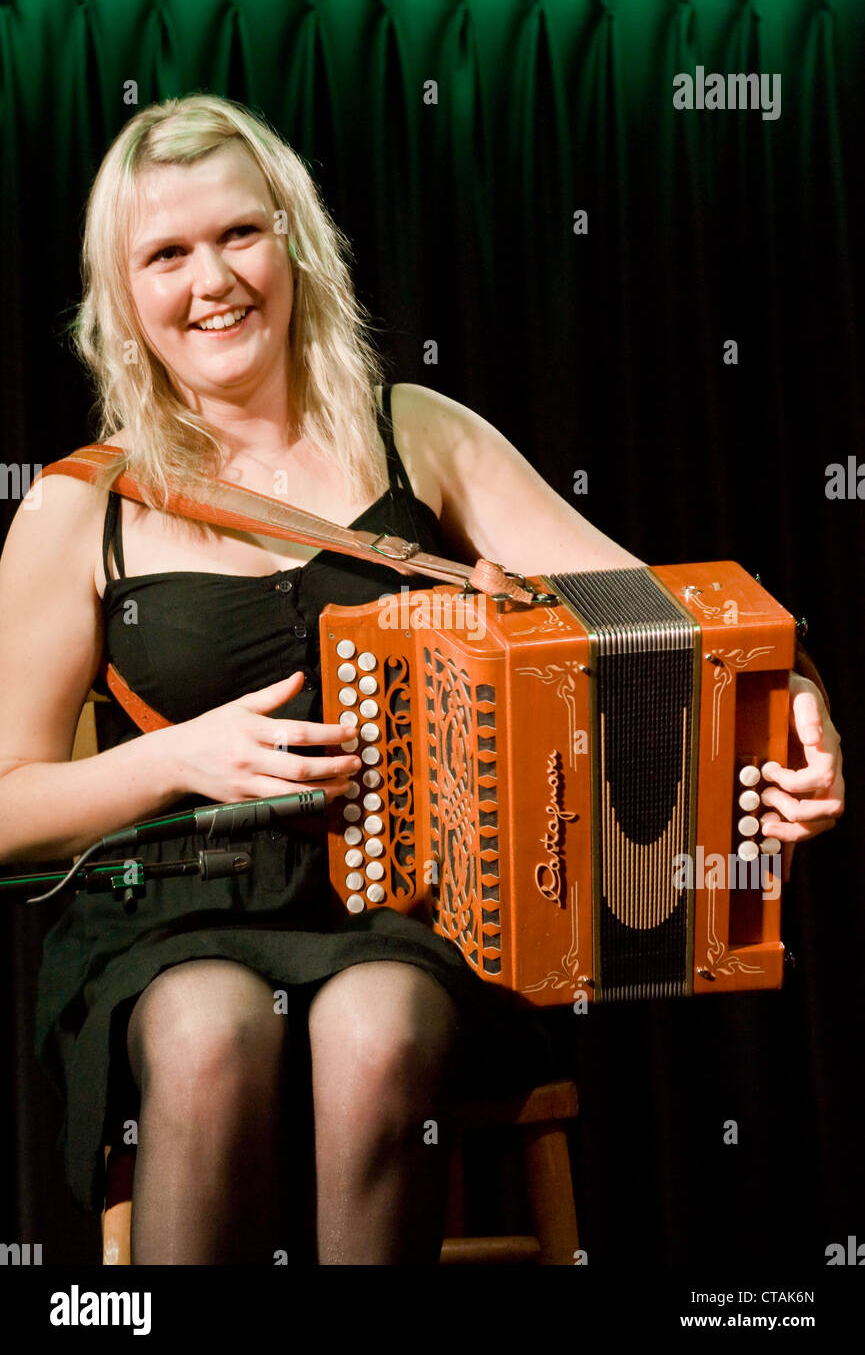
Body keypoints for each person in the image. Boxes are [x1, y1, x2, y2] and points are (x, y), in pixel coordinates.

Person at [0, 95, 844, 1266]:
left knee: (379, 1028)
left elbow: (656, 614)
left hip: (411, 914)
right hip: (175, 909)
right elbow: (6, 807)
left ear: (293, 238)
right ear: (122, 293)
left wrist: (794, 690)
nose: (214, 281)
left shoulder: (417, 432)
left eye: (241, 234)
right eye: (167, 254)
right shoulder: (75, 508)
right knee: (203, 1032)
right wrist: (169, 760)